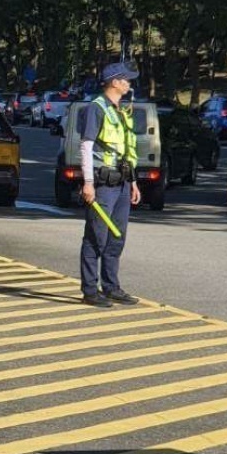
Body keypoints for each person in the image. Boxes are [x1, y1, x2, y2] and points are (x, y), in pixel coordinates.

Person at [79, 61, 142, 308]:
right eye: (126, 80)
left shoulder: (120, 110)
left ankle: (111, 286)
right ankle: (89, 290)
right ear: (114, 82)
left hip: (123, 183)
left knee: (117, 237)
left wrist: (134, 182)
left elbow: (126, 149)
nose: (129, 84)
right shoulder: (96, 108)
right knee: (96, 237)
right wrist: (88, 183)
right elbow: (86, 147)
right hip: (103, 184)